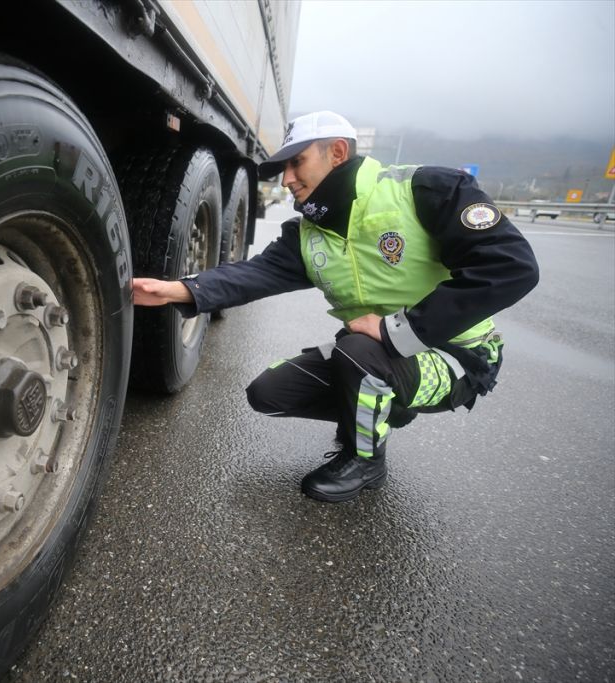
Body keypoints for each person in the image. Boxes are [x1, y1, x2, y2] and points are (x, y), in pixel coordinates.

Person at [132, 111, 539, 503]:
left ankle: (365, 462)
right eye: (283, 169)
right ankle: (380, 403)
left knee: (358, 354)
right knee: (269, 392)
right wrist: (180, 291)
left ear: (338, 153)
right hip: (379, 355)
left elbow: (512, 266)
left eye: (297, 163)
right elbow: (254, 275)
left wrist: (397, 329)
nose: (287, 179)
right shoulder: (309, 234)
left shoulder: (423, 190)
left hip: (456, 356)